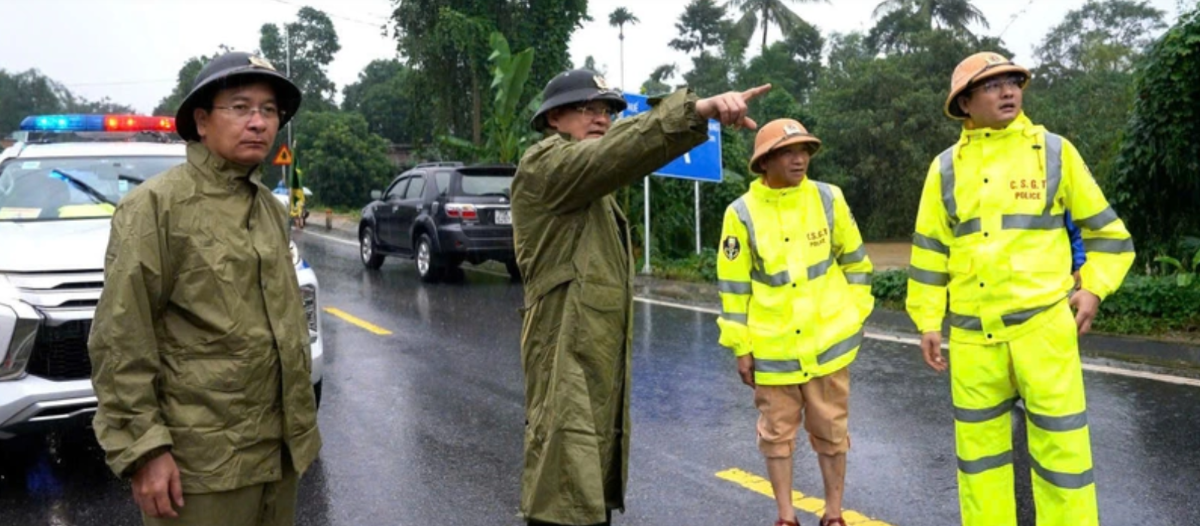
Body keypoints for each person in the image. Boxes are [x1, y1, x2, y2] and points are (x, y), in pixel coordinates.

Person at [512, 69, 770, 526]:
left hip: (592, 362)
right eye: (587, 109)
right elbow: (618, 153)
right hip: (564, 356)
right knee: (564, 486)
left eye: (608, 111)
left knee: (584, 486)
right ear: (554, 119)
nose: (602, 119)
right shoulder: (545, 167)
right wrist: (700, 110)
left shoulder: (592, 193)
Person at [88, 51, 321, 526]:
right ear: (201, 120)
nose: (258, 122)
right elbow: (121, 341)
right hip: (203, 469)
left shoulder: (271, 211)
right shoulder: (155, 209)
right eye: (240, 107)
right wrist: (146, 451)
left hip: (279, 457)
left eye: (269, 110)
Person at [906, 52, 1134, 526]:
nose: (1009, 90)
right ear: (964, 103)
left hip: (1044, 330)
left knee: (1062, 456)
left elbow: (1109, 236)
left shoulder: (1053, 151)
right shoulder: (944, 169)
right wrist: (928, 320)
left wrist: (1092, 288)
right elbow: (930, 253)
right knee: (980, 463)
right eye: (992, 86)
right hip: (971, 340)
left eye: (1013, 81)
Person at [716, 119, 874, 526]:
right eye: (789, 152)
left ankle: (833, 513)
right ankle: (786, 516)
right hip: (773, 350)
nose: (800, 158)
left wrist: (855, 314)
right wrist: (741, 346)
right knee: (776, 437)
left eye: (804, 150)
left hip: (828, 344)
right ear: (764, 161)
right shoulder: (741, 213)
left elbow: (856, 261)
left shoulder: (828, 198)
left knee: (832, 432)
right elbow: (733, 286)